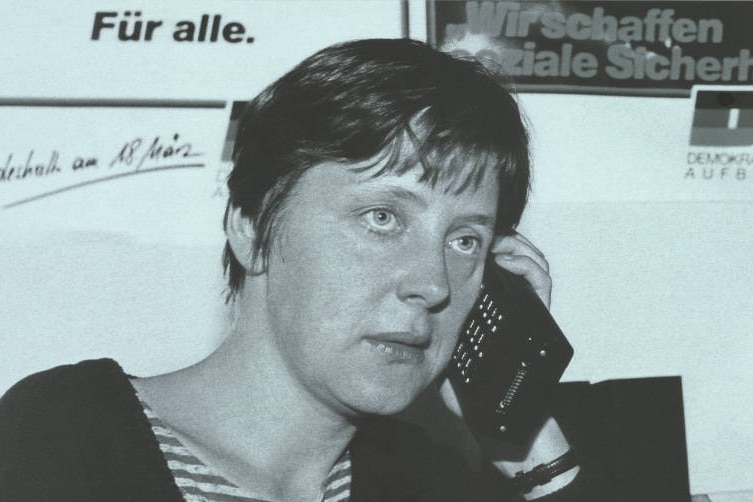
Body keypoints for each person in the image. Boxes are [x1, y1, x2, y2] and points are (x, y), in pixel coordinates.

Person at [0, 39, 593, 501]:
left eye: (465, 239)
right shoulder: (65, 435)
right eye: (382, 217)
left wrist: (522, 428)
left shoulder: (423, 483)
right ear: (252, 229)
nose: (433, 284)